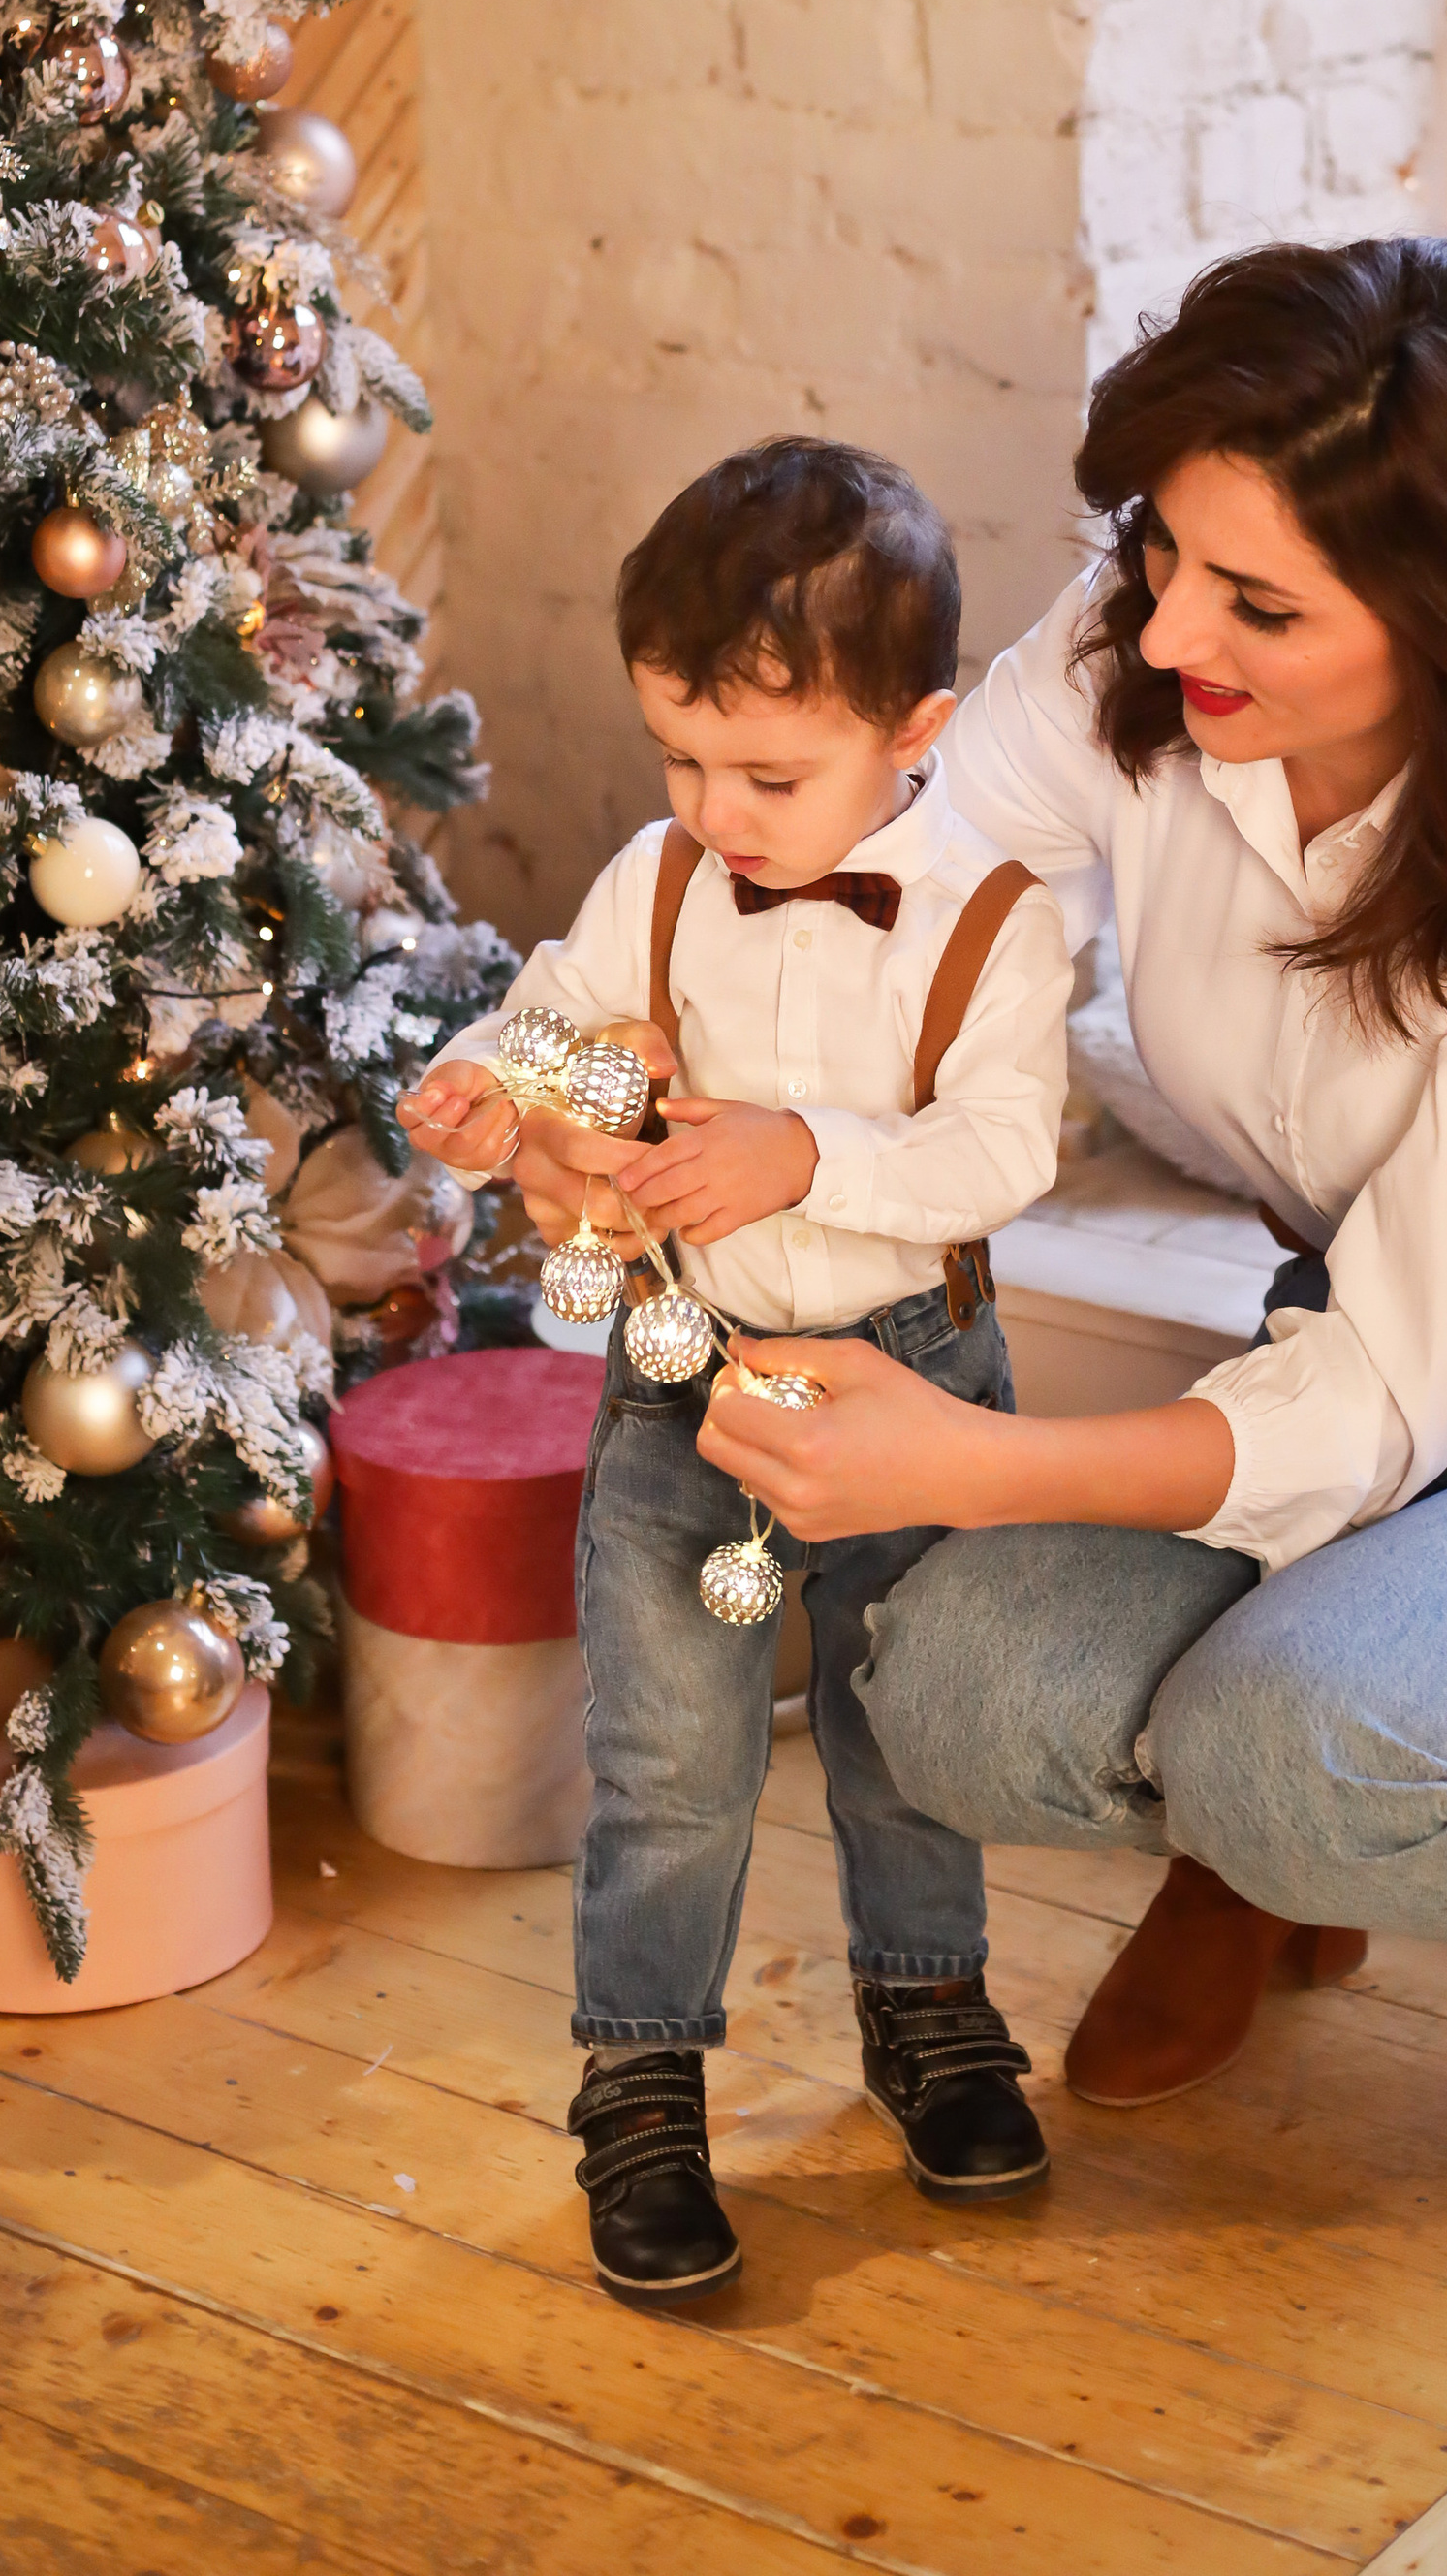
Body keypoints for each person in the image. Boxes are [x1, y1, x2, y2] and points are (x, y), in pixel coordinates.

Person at [528, 239, 1447, 2245]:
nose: (1165, 624)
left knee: (1287, 1743)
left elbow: (1376, 1398)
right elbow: (865, 869)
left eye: (1258, 603)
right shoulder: (1150, 648)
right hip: (1338, 1333)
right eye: (1161, 549)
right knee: (941, 1692)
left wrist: (963, 1460)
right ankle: (1281, 1850)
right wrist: (608, 1090)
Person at [400, 438, 1071, 2306]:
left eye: (770, 776)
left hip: (916, 1383)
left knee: (907, 1726)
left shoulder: (993, 917)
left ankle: (928, 2009)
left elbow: (1003, 1151)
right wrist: (490, 1088)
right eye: (681, 759)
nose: (719, 813)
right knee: (668, 1761)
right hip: (682, 1379)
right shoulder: (665, 876)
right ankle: (642, 2076)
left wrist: (808, 1156)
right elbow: (557, 1024)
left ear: (916, 731)